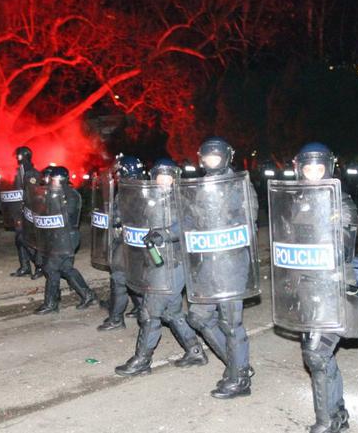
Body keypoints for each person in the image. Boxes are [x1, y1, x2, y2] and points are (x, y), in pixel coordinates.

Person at [270, 142, 358, 433]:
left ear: (329, 167)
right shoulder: (293, 199)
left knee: (315, 354)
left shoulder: (341, 201)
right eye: (307, 167)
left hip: (331, 287)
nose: (312, 172)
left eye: (318, 167)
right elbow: (285, 239)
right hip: (305, 289)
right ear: (299, 168)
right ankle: (338, 413)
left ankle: (327, 421)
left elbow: (343, 247)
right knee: (318, 357)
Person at [114, 158, 208, 376]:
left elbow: (188, 224)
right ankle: (195, 351)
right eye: (159, 175)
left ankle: (141, 361)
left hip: (174, 263)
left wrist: (165, 234)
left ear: (175, 178)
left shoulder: (183, 198)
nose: (163, 180)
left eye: (168, 176)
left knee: (149, 312)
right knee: (171, 312)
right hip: (155, 262)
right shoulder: (149, 199)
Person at [185, 137, 257, 399]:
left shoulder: (239, 185)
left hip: (231, 263)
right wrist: (165, 234)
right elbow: (188, 220)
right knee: (198, 317)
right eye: (208, 157)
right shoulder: (198, 186)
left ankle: (240, 380)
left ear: (227, 157)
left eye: (216, 157)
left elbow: (251, 220)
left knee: (230, 322)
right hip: (206, 264)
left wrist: (227, 221)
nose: (212, 161)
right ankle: (239, 366)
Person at [34, 166, 96, 314]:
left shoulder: (71, 195)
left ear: (61, 180)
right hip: (56, 237)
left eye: (53, 179)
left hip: (67, 237)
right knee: (66, 269)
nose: (49, 182)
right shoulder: (52, 194)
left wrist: (53, 198)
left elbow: (65, 217)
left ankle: (51, 304)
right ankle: (87, 294)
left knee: (51, 268)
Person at [96, 155, 144, 331]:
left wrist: (111, 219)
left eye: (119, 171)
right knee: (133, 279)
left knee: (119, 279)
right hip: (134, 244)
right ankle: (141, 308)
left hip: (126, 243)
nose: (116, 175)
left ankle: (116, 319)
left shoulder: (129, 192)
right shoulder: (140, 188)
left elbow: (122, 217)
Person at [9, 146, 44, 279]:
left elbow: (33, 193)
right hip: (19, 211)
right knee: (19, 239)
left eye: (18, 155)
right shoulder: (20, 171)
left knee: (27, 239)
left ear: (24, 155)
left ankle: (40, 265)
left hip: (29, 211)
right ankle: (25, 267)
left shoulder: (32, 172)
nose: (16, 158)